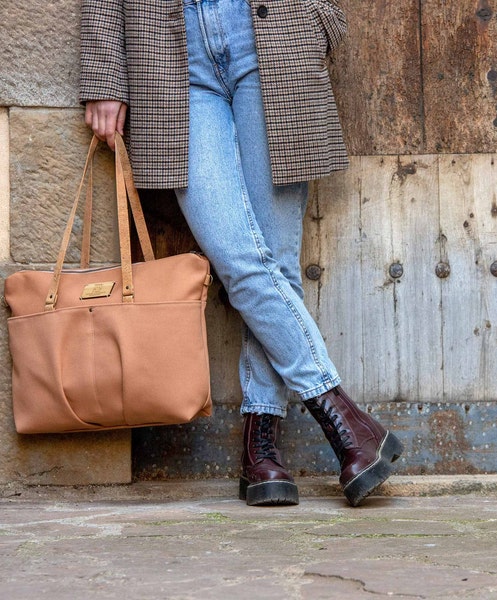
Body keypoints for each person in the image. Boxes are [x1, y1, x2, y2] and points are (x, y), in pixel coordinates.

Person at [80, 0, 403, 507]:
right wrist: (103, 77)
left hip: (269, 40)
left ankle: (261, 447)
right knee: (240, 259)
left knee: (272, 262)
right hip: (169, 53)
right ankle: (343, 417)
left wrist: (319, 19)